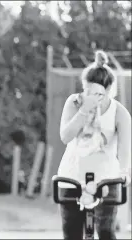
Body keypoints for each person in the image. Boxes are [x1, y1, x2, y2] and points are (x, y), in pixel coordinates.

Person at [57, 50, 131, 240]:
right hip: (72, 176)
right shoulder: (74, 103)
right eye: (87, 90)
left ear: (109, 91)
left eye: (98, 93)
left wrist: (124, 172)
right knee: (71, 233)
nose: (92, 96)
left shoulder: (119, 113)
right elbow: (65, 136)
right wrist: (83, 111)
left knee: (106, 232)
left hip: (105, 179)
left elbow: (124, 150)